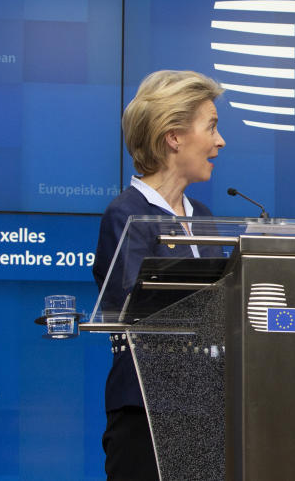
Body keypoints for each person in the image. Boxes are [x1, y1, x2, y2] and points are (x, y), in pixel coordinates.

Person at [93, 70, 226, 481]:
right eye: (212, 127)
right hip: (148, 410)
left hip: (209, 407)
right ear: (174, 137)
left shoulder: (203, 217)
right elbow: (132, 307)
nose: (220, 141)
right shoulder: (127, 214)